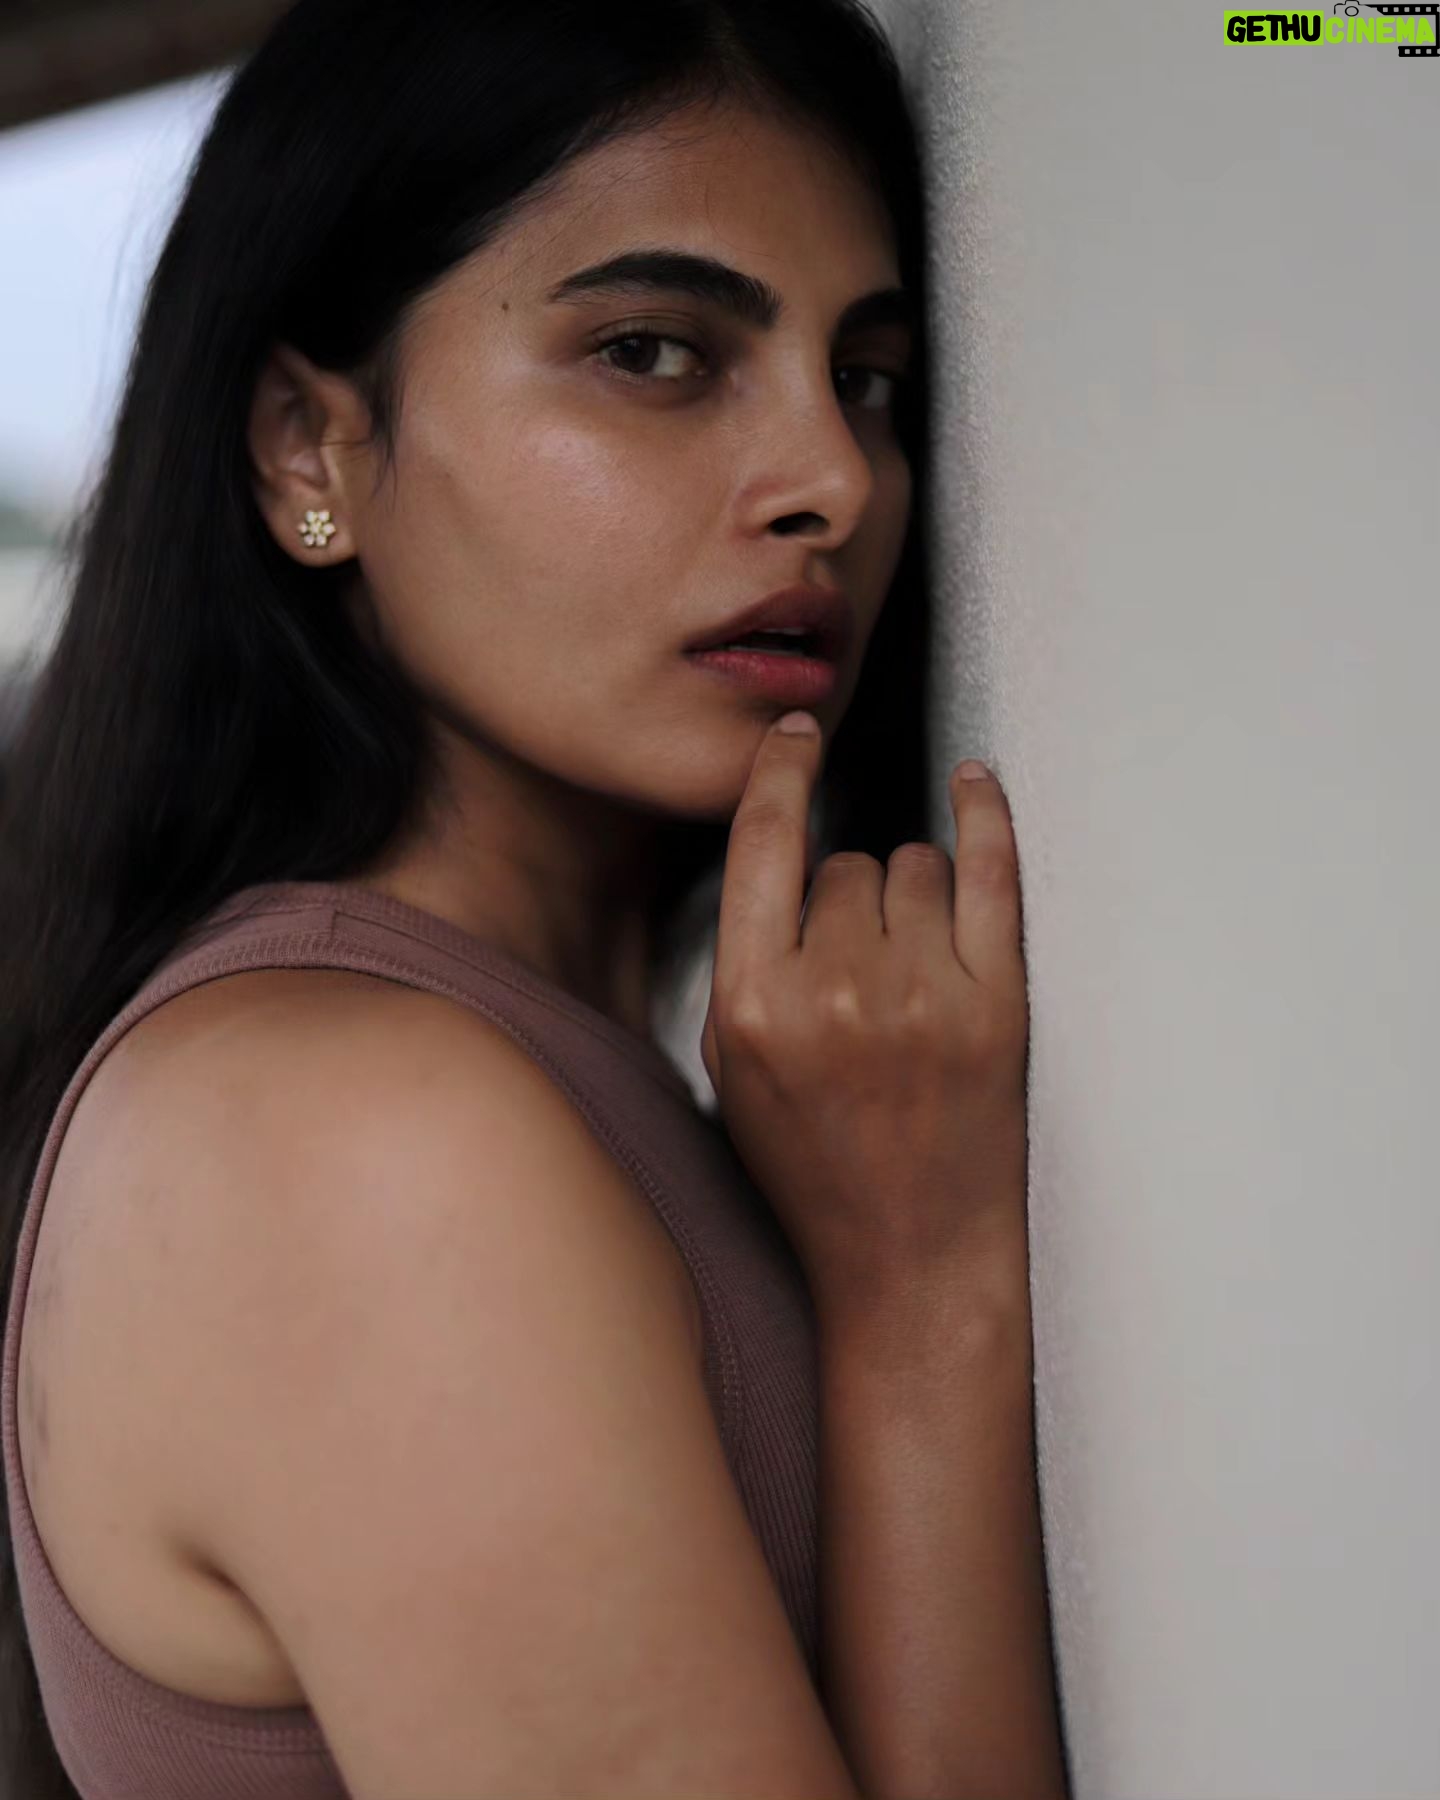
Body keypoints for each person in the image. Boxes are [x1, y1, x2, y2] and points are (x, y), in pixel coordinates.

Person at [0, 1, 1070, 1795]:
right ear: (311, 449)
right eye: (655, 352)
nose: (831, 481)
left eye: (868, 378)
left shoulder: (531, 1075)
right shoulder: (340, 1133)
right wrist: (917, 1296)